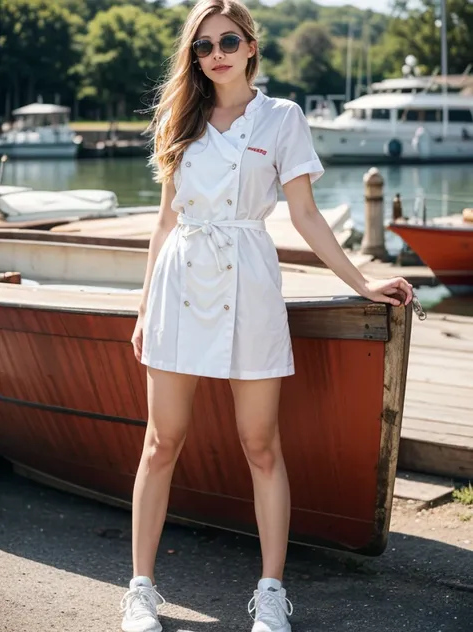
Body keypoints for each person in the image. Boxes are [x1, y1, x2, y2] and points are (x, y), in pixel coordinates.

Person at [121, 1, 413, 631]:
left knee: (261, 445)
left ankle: (272, 592)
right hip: (178, 285)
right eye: (203, 46)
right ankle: (141, 590)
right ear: (193, 57)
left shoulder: (283, 117)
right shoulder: (179, 115)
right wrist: (145, 307)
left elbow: (305, 216)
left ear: (251, 46)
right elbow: (166, 220)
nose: (216, 53)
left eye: (228, 40)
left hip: (249, 284)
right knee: (160, 442)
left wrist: (362, 280)